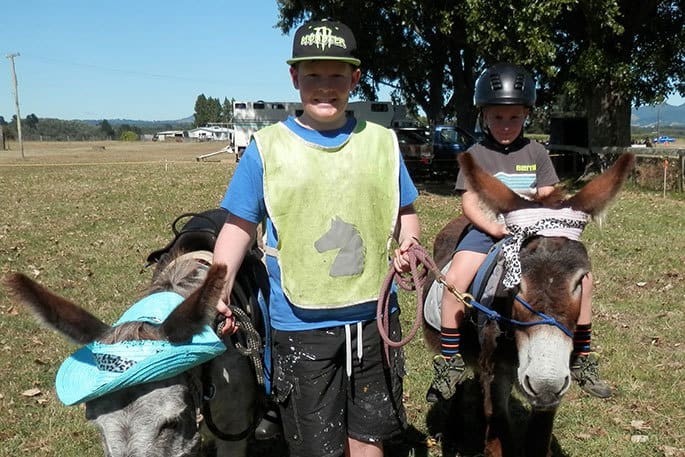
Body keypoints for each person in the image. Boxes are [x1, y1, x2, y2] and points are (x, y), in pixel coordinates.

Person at [212, 19, 421, 457]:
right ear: (294, 78)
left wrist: (409, 246)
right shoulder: (267, 149)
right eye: (313, 76)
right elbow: (238, 227)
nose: (325, 87)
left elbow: (404, 210)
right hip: (300, 325)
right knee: (315, 447)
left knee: (369, 437)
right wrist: (220, 288)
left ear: (355, 78)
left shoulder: (382, 143)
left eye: (336, 76)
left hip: (373, 317)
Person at [426, 62, 613, 403]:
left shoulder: (536, 152)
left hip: (531, 235)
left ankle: (584, 358)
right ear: (484, 116)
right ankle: (449, 360)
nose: (506, 125)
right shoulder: (476, 154)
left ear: (527, 114)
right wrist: (494, 227)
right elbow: (469, 202)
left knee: (584, 282)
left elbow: (548, 194)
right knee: (456, 279)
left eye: (514, 117)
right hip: (486, 231)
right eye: (498, 117)